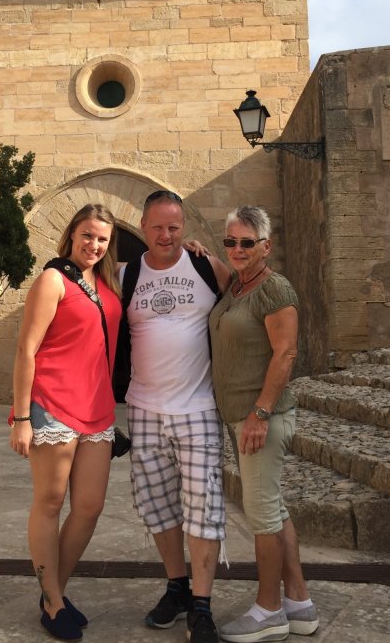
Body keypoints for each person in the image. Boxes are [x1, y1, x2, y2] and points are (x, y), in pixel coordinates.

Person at [122, 190, 232, 643]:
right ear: (143, 227)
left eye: (174, 227)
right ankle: (177, 587)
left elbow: (248, 298)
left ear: (184, 228)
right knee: (157, 505)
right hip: (143, 408)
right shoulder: (126, 275)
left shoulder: (207, 267)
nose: (166, 235)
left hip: (198, 407)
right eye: (158, 227)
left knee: (203, 507)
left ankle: (202, 607)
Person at [9, 204, 122, 643]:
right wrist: (21, 418)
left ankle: (53, 589)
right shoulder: (53, 280)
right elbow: (26, 349)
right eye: (87, 235)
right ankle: (53, 600)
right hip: (51, 403)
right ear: (72, 234)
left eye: (102, 239)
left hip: (97, 407)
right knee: (51, 502)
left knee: (90, 505)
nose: (94, 245)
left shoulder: (106, 283)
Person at [208, 206, 318, 643]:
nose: (237, 249)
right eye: (230, 242)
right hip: (242, 417)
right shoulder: (238, 286)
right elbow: (221, 270)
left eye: (246, 243)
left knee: (262, 516)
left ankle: (269, 610)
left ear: (266, 246)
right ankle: (299, 603)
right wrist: (199, 251)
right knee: (273, 508)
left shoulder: (275, 289)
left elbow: (286, 353)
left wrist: (260, 413)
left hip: (260, 420)